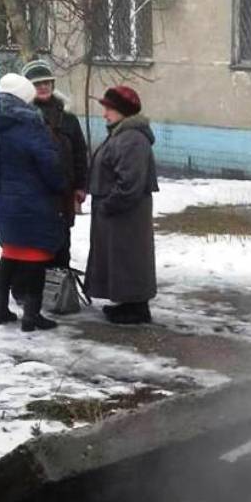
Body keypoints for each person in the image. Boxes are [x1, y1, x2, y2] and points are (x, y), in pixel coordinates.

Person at [0, 73, 66, 332]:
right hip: (33, 198)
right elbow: (49, 163)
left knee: (10, 250)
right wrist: (60, 186)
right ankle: (32, 316)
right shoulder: (30, 124)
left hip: (1, 198)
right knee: (36, 253)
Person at [85, 85, 159, 324]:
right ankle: (127, 303)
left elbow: (129, 183)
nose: (105, 114)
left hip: (125, 214)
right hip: (119, 212)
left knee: (128, 258)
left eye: (109, 109)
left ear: (123, 111)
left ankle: (136, 307)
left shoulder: (132, 139)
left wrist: (108, 205)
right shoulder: (122, 134)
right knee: (121, 259)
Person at [21, 59, 89, 268]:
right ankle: (29, 291)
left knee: (61, 243)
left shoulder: (68, 118)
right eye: (37, 83)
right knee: (34, 246)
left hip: (63, 194)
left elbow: (79, 153)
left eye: (47, 82)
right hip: (33, 194)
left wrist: (81, 186)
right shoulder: (23, 117)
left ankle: (60, 289)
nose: (43, 87)